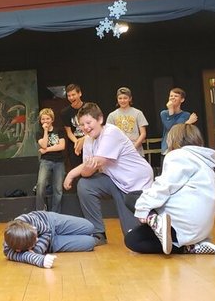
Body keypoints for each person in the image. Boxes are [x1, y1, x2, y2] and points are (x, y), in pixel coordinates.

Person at [63, 103, 153, 246]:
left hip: (135, 183)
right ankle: (98, 233)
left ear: (100, 119)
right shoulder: (87, 140)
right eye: (82, 124)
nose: (85, 127)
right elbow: (88, 169)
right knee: (85, 185)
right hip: (115, 181)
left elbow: (96, 163)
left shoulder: (111, 132)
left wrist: (76, 173)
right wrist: (77, 172)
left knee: (134, 237)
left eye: (88, 122)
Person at [124, 124, 215, 255]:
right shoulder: (205, 162)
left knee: (132, 199)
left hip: (181, 225)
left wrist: (143, 210)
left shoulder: (179, 156)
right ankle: (191, 247)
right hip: (200, 231)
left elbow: (163, 187)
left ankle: (156, 223)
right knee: (136, 234)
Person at [3, 211, 95, 268]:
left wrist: (36, 250)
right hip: (51, 244)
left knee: (89, 227)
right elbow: (25, 257)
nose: (37, 240)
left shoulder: (26, 220)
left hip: (51, 221)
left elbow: (46, 231)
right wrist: (42, 260)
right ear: (18, 249)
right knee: (90, 242)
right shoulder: (9, 251)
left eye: (36, 237)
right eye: (33, 243)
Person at [35, 108, 66, 212]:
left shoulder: (59, 130)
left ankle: (55, 213)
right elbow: (43, 144)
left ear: (52, 119)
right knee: (40, 185)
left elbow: (61, 146)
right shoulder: (39, 133)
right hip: (45, 161)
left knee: (58, 189)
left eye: (47, 118)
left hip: (59, 161)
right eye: (43, 119)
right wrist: (45, 131)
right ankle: (41, 211)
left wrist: (46, 150)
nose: (45, 121)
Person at [106, 87, 148, 157]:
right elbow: (109, 135)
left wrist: (133, 148)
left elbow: (143, 133)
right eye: (120, 98)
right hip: (119, 152)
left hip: (136, 151)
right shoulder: (112, 115)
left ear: (130, 98)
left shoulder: (138, 113)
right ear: (117, 99)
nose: (122, 100)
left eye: (125, 98)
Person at [160, 88, 198, 159]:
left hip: (181, 148)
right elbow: (170, 128)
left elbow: (178, 129)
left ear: (182, 100)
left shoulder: (185, 115)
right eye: (171, 96)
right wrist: (187, 122)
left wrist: (185, 123)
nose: (172, 98)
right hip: (167, 149)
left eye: (176, 96)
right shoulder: (164, 113)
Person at [60, 84, 86, 169]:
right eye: (69, 96)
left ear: (80, 94)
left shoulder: (89, 108)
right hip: (75, 144)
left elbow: (96, 128)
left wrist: (84, 140)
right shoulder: (65, 112)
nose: (71, 98)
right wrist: (77, 142)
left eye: (73, 95)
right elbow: (69, 132)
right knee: (77, 169)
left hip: (89, 141)